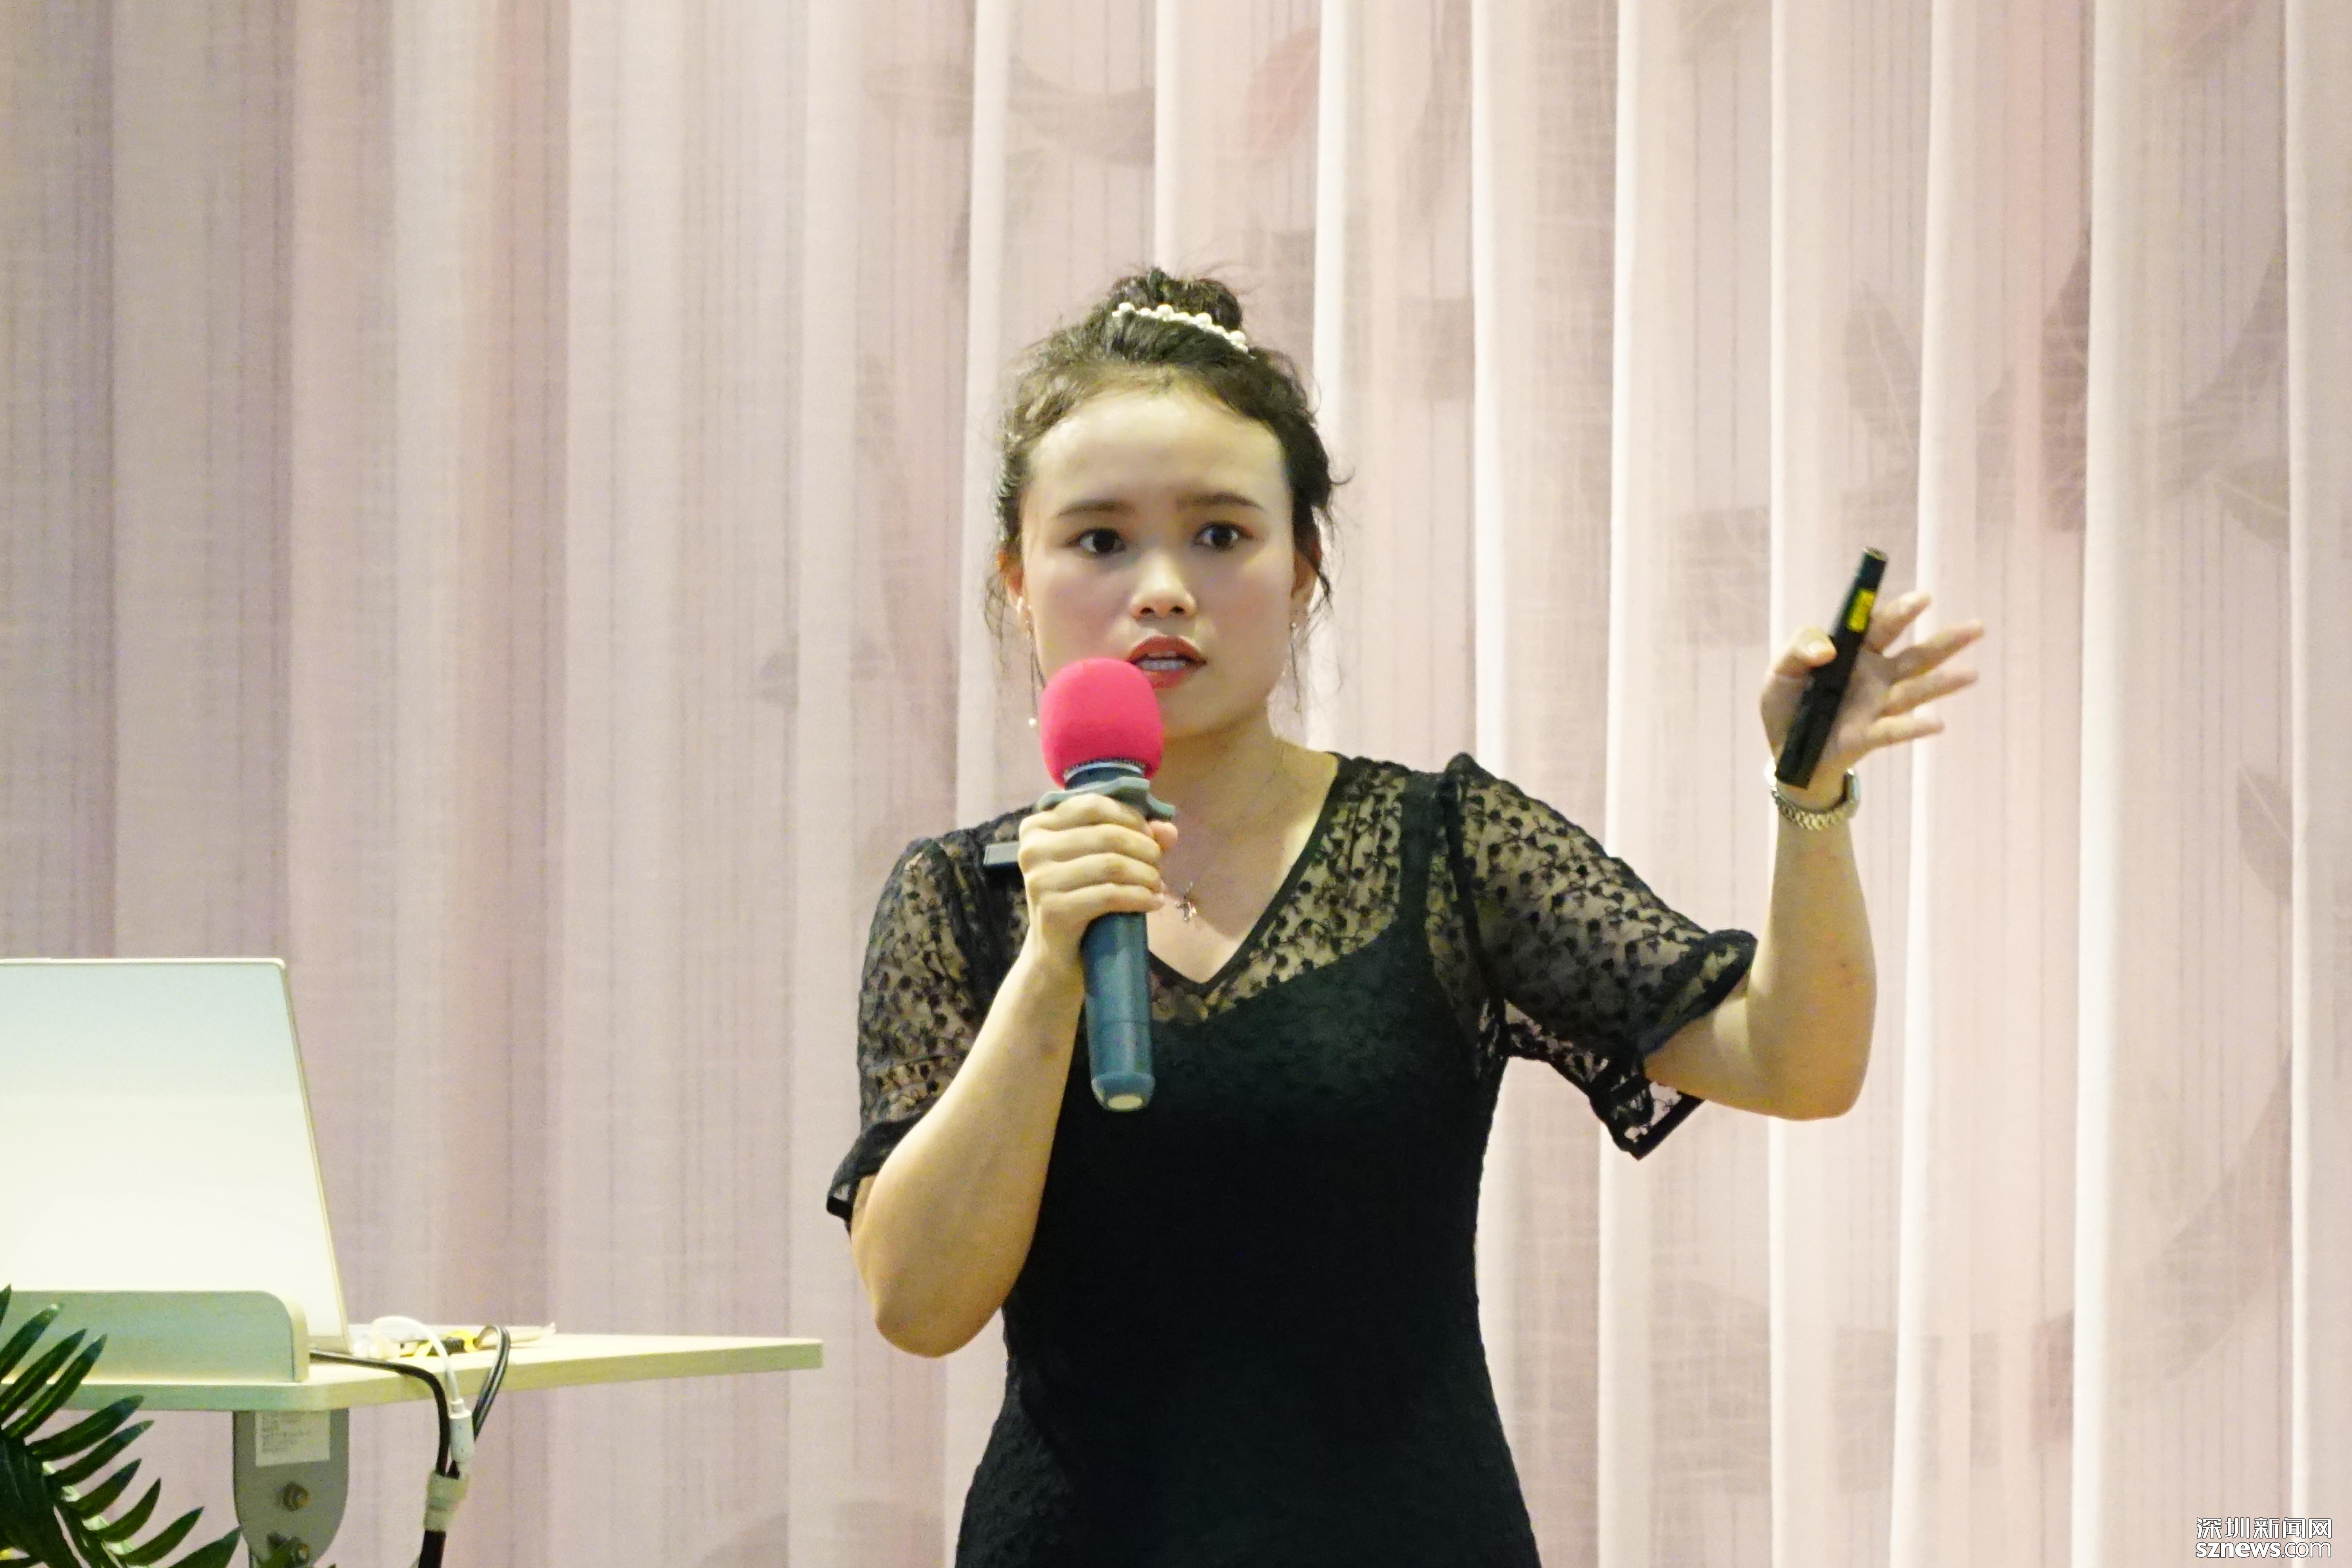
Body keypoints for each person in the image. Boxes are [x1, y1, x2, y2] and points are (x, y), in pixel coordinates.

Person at [828, 271, 1984, 1566]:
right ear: (1017, 580)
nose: (1162, 588)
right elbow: (918, 1303)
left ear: (1302, 566)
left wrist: (1810, 802)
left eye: (1220, 534)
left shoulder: (1447, 848)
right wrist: (1052, 963)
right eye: (1099, 541)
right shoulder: (961, 901)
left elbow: (1796, 1062)